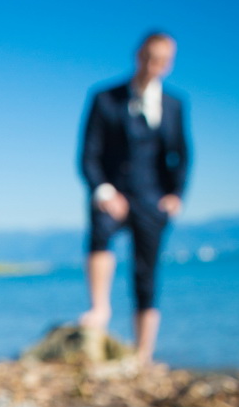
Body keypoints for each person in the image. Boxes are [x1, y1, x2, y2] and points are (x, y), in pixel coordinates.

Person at [79, 32, 190, 364]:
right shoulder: (105, 98)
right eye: (149, 57)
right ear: (138, 55)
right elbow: (88, 154)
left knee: (147, 271)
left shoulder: (174, 105)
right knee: (100, 229)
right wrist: (104, 190)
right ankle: (100, 308)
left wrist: (175, 195)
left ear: (168, 65)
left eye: (162, 60)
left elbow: (182, 155)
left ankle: (144, 353)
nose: (153, 65)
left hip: (152, 197)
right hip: (112, 191)